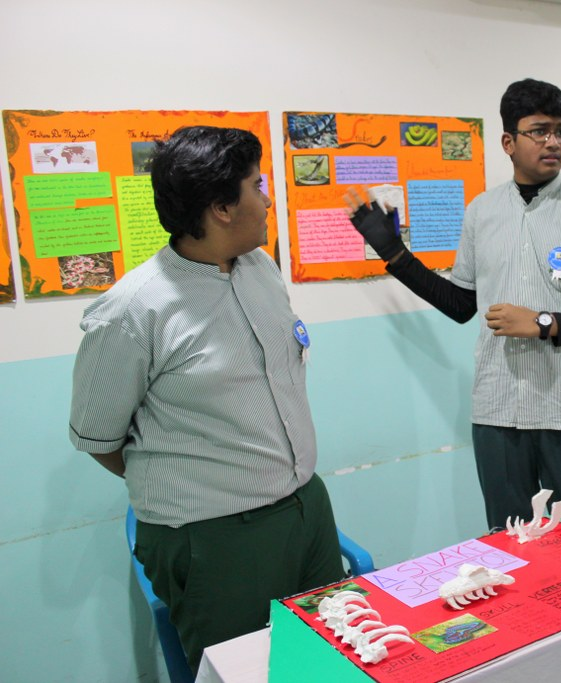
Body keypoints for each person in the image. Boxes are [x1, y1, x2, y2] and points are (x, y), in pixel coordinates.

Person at [69, 126, 343, 673]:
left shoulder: (260, 269)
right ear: (221, 208)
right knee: (246, 673)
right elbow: (98, 437)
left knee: (328, 661)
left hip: (305, 508)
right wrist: (200, 482)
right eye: (256, 186)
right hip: (215, 539)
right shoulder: (134, 310)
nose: (267, 200)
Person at [348, 79, 561, 530]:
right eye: (539, 131)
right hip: (499, 413)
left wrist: (544, 323)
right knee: (509, 544)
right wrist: (395, 254)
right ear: (508, 142)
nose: (553, 142)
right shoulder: (481, 211)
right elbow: (460, 304)